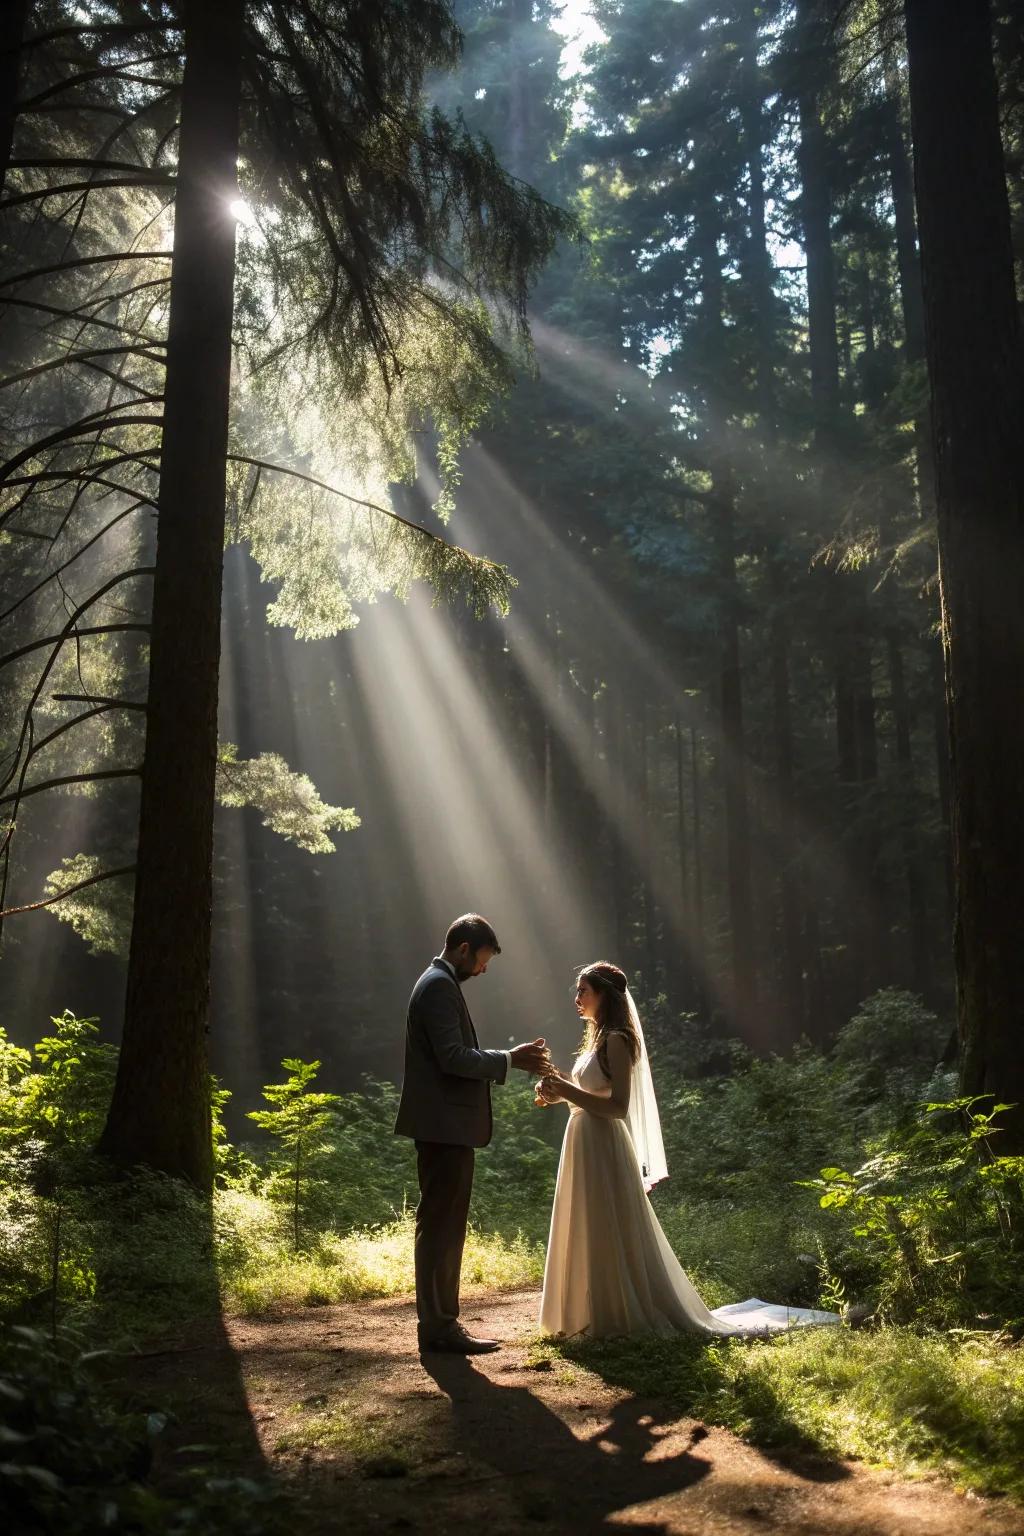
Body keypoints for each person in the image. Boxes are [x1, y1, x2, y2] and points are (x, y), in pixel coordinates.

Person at [536, 961, 840, 1340]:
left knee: (608, 1224)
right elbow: (588, 1097)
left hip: (604, 1144)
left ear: (604, 995)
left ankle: (617, 1311)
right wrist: (557, 1093)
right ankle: (589, 1310)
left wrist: (566, 1089)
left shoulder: (617, 1039)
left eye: (583, 990)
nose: (577, 998)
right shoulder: (595, 1041)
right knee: (587, 1222)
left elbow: (617, 1107)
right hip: (583, 1141)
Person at [394, 913, 550, 1354]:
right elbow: (453, 1057)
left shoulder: (438, 982)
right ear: (463, 948)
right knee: (441, 1227)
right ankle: (439, 1328)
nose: (482, 970)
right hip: (443, 1128)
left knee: (442, 1225)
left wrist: (507, 1059)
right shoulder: (438, 986)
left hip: (444, 1126)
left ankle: (440, 1324)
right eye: (482, 960)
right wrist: (510, 1059)